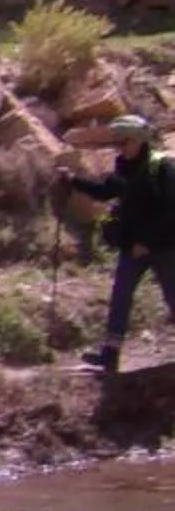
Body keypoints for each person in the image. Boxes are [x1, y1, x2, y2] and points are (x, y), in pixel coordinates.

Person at [65, 113, 175, 374]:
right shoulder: (123, 168)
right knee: (120, 297)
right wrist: (73, 180)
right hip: (133, 247)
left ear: (138, 140)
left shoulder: (162, 169)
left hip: (164, 247)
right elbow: (105, 191)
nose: (119, 147)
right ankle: (110, 355)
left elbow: (171, 211)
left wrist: (147, 242)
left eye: (123, 142)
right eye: (117, 142)